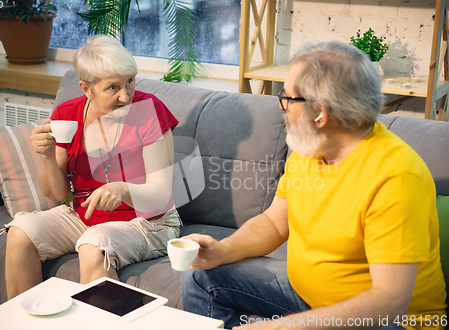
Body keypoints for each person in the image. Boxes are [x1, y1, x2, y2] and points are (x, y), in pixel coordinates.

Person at [181, 41, 446, 330]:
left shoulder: (395, 177)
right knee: (202, 275)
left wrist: (277, 327)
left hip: (392, 322)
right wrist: (222, 250)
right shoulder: (311, 149)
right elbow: (274, 223)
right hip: (310, 299)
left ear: (319, 113)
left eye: (287, 98)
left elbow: (390, 302)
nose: (282, 107)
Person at [5, 35, 181, 299]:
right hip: (85, 216)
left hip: (149, 221)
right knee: (21, 233)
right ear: (86, 89)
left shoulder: (149, 110)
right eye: (113, 88)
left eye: (130, 82)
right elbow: (54, 193)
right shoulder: (67, 115)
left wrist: (122, 189)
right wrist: (47, 156)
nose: (126, 95)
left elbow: (160, 193)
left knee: (93, 245)